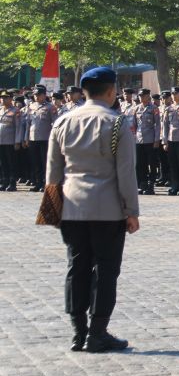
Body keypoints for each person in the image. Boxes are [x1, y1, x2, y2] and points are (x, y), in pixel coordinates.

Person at [46, 66, 140, 353]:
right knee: (106, 269)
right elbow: (126, 172)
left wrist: (52, 210)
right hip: (107, 208)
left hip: (71, 206)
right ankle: (97, 332)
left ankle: (78, 332)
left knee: (77, 267)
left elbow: (53, 172)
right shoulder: (116, 123)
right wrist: (131, 211)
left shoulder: (62, 121)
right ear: (111, 92)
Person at [24, 85, 57, 193]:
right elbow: (28, 123)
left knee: (44, 162)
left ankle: (44, 183)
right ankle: (37, 183)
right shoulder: (31, 106)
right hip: (33, 138)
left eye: (38, 95)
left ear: (44, 95)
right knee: (35, 162)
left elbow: (54, 123)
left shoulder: (50, 107)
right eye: (35, 95)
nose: (36, 97)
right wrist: (26, 138)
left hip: (45, 138)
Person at [131, 89, 160, 195]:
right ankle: (142, 184)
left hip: (150, 139)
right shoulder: (136, 108)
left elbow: (158, 125)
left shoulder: (154, 108)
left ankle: (151, 184)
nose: (141, 98)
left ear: (148, 96)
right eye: (140, 96)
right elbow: (134, 125)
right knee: (140, 163)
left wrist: (156, 139)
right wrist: (133, 138)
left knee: (152, 163)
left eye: (143, 96)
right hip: (139, 140)